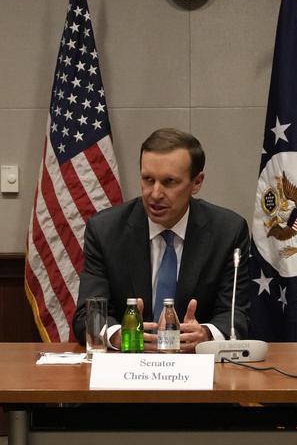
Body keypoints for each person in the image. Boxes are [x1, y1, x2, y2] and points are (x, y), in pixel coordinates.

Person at [72, 128, 251, 352]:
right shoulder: (106, 230)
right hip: (126, 370)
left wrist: (206, 334)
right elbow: (87, 317)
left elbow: (237, 315)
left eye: (169, 182)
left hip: (199, 371)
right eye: (148, 179)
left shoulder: (228, 232)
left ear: (197, 182)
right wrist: (117, 335)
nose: (155, 194)